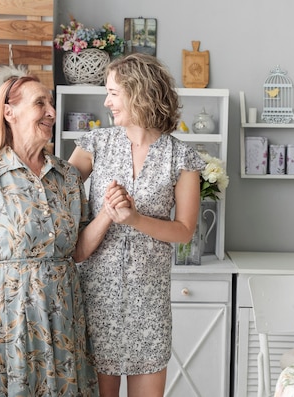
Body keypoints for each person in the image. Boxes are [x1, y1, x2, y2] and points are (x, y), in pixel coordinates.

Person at [0, 67, 127, 396]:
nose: (52, 112)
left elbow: (77, 251)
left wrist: (107, 213)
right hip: (4, 324)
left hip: (62, 322)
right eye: (40, 103)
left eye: (52, 103)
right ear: (9, 112)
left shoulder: (67, 176)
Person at [68, 53, 206, 397]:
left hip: (149, 304)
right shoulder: (94, 144)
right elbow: (56, 192)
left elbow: (185, 229)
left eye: (113, 92)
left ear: (139, 92)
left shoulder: (182, 157)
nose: (106, 101)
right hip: (95, 300)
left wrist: (135, 218)